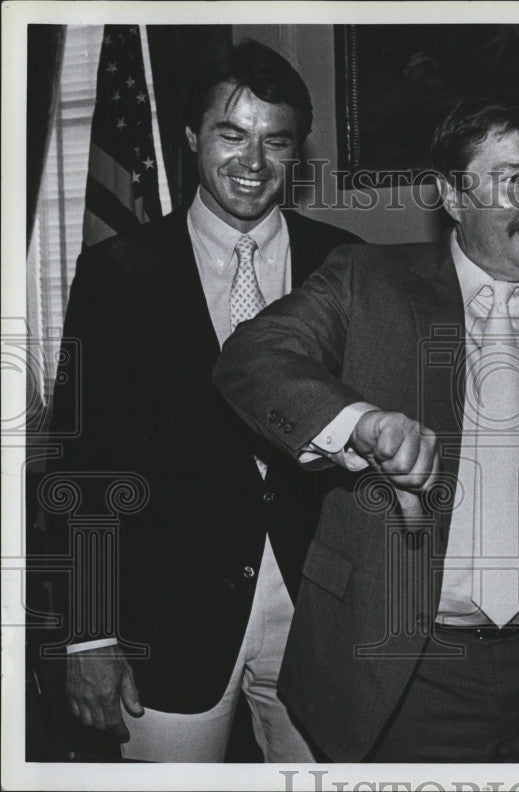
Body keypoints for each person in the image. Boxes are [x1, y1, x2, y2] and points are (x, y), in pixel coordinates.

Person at [213, 95, 519, 762]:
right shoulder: (367, 282)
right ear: (453, 196)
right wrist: (360, 423)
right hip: (410, 673)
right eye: (511, 176)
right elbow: (251, 359)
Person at [45, 40, 362, 761]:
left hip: (316, 613)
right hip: (169, 618)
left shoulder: (348, 264)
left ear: (296, 156)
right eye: (232, 134)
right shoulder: (117, 273)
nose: (253, 162)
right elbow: (84, 461)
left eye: (274, 141)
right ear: (191, 139)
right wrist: (90, 631)